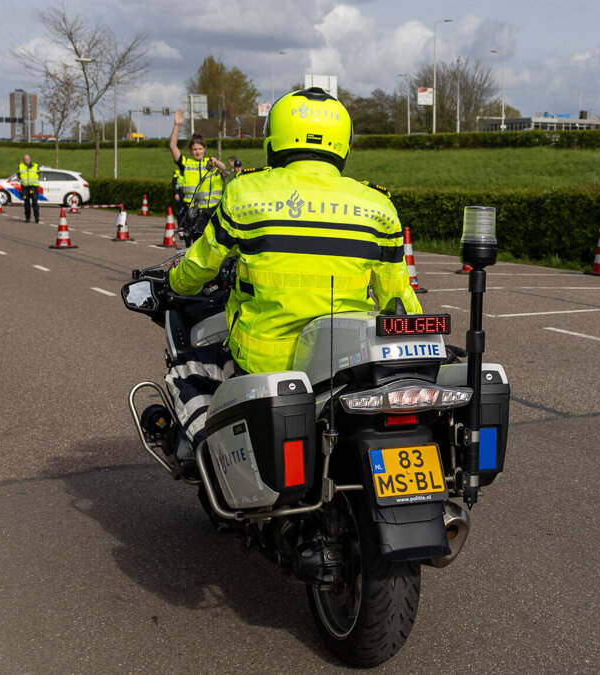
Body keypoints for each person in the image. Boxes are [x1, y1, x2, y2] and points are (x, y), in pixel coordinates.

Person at [162, 87, 422, 474]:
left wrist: (175, 284)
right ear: (343, 142)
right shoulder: (378, 206)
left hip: (265, 362)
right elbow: (398, 297)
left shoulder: (245, 194)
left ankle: (214, 461)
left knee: (192, 369)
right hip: (344, 365)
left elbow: (199, 265)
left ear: (274, 138)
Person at [17, 154, 40, 223]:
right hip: (25, 188)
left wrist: (35, 180)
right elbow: (18, 175)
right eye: (25, 159)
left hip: (33, 187)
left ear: (30, 159)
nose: (27, 160)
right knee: (26, 204)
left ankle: (37, 217)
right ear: (23, 160)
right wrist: (22, 181)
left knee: (35, 203)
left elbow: (39, 174)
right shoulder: (20, 166)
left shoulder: (35, 166)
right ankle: (27, 218)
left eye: (28, 159)